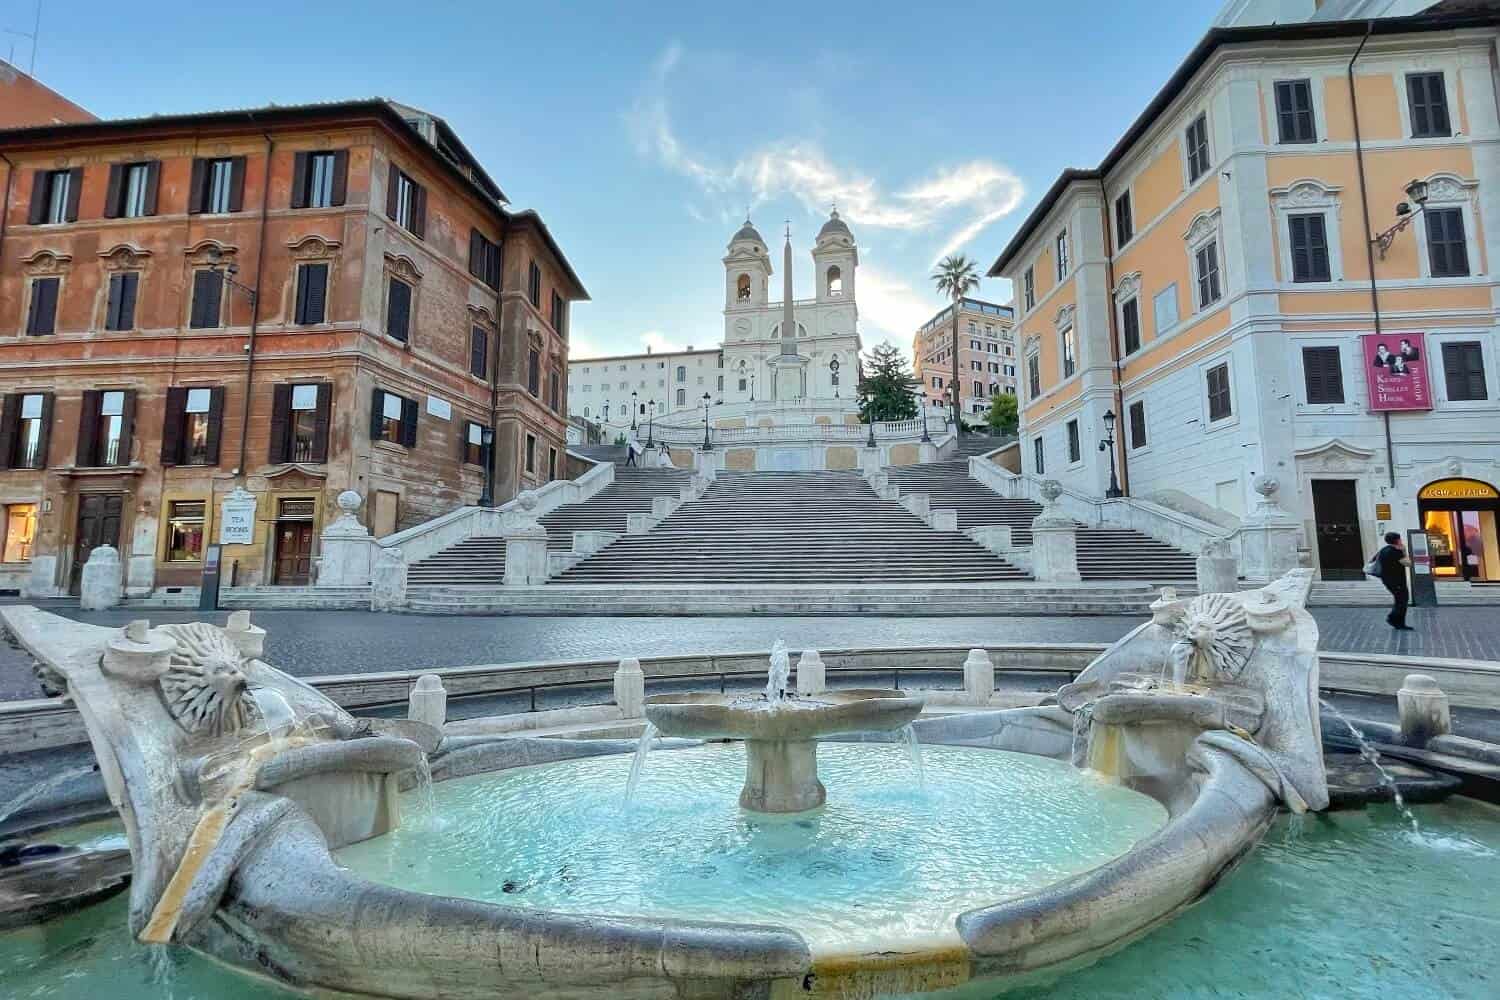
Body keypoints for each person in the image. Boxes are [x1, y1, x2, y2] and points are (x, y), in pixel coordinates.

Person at [1374, 531, 1413, 630]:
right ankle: (1394, 619)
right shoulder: (1395, 551)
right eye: (1399, 539)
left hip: (1388, 580)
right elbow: (1408, 563)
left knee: (1399, 600)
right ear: (1397, 540)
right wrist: (1404, 551)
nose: (1401, 540)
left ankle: (1398, 623)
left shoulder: (1383, 550)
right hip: (1398, 581)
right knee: (1402, 601)